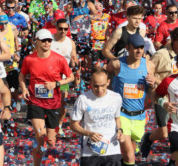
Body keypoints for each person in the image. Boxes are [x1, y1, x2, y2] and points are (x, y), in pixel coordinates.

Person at [19, 29, 74, 166]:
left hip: (53, 103)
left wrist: (56, 84)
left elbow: (70, 77)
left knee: (50, 140)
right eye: (43, 40)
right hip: (35, 102)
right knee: (40, 136)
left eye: (49, 40)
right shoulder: (29, 59)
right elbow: (22, 75)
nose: (47, 43)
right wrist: (24, 89)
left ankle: (41, 153)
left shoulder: (59, 59)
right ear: (36, 41)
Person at [107, 34, 155, 166]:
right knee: (129, 155)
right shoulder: (116, 64)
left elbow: (152, 93)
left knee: (131, 150)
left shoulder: (149, 65)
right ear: (128, 47)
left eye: (141, 48)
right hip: (121, 115)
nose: (139, 51)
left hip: (139, 116)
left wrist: (152, 85)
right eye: (136, 48)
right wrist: (109, 93)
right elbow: (106, 76)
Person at [70, 67, 124, 166]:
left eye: (103, 85)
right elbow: (73, 125)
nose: (99, 90)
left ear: (108, 82)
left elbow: (117, 118)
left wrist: (119, 130)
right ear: (90, 83)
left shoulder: (116, 98)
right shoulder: (83, 99)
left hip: (113, 150)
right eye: (96, 86)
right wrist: (89, 133)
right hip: (90, 153)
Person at [141, 27, 178, 159]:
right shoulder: (161, 55)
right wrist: (156, 82)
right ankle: (148, 138)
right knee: (163, 134)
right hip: (162, 95)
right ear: (174, 41)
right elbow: (148, 72)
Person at [51, 18, 78, 136]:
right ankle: (49, 125)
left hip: (64, 78)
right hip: (49, 76)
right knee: (48, 102)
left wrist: (74, 62)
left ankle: (59, 126)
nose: (63, 31)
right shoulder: (49, 40)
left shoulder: (70, 42)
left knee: (63, 102)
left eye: (65, 29)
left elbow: (74, 57)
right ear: (56, 28)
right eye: (60, 28)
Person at [153, 66, 178, 166]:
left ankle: (172, 161)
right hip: (175, 126)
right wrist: (164, 103)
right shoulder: (169, 81)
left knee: (176, 154)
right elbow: (156, 95)